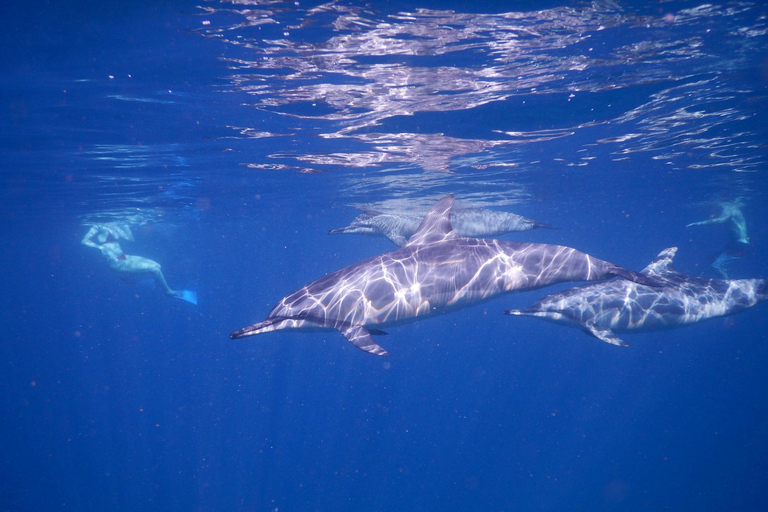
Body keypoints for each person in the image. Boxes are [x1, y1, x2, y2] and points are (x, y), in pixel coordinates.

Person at [81, 223, 197, 304]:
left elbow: (130, 238)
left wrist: (125, 225)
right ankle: (168, 291)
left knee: (157, 265)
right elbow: (84, 241)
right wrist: (100, 247)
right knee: (155, 270)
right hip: (115, 262)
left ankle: (130, 279)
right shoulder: (97, 225)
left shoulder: (115, 224)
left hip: (124, 257)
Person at [686, 199, 750, 278]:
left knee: (715, 266)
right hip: (737, 243)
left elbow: (720, 220)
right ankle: (725, 275)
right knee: (711, 257)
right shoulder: (734, 209)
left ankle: (727, 284)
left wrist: (697, 224)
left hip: (738, 244)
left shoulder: (728, 207)